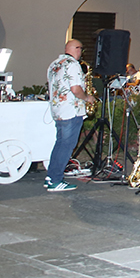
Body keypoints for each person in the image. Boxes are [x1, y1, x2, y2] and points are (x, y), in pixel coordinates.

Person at [45, 40, 91, 192]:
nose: (81, 53)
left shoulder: (54, 64)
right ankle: (56, 179)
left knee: (60, 144)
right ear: (76, 49)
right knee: (67, 145)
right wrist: (87, 98)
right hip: (71, 111)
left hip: (58, 110)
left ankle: (51, 176)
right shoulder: (73, 65)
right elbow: (75, 88)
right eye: (80, 49)